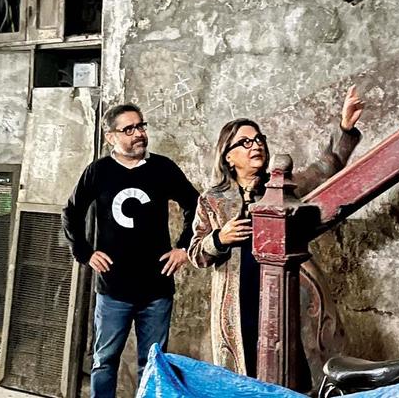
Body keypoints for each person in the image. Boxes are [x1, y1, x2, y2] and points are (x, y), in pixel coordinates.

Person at [188, 86, 364, 380]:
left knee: (297, 366)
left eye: (259, 139)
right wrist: (219, 238)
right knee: (248, 369)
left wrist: (345, 128)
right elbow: (196, 254)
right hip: (239, 302)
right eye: (245, 142)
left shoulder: (284, 187)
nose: (255, 145)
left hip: (289, 295)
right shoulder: (212, 200)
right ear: (228, 157)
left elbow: (326, 166)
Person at [61, 103, 199, 398]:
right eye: (129, 129)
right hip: (113, 288)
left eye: (141, 126)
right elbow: (71, 212)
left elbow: (195, 204)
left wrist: (184, 247)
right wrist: (85, 253)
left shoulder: (162, 168)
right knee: (104, 361)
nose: (139, 134)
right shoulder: (98, 172)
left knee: (153, 364)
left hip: (156, 287)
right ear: (111, 137)